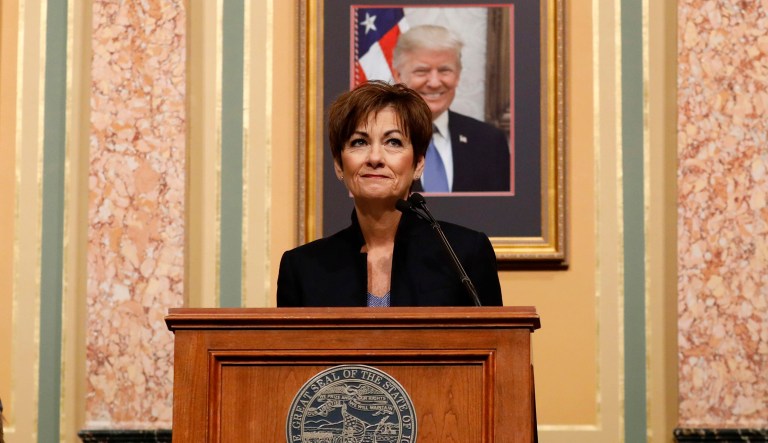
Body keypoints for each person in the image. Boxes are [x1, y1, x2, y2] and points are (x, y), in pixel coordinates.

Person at [277, 81, 502, 307]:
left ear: (418, 164)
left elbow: (498, 341)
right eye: (360, 142)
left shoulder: (464, 254)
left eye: (393, 142)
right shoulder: (302, 268)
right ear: (338, 165)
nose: (375, 158)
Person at [392, 24, 510, 193]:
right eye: (422, 71)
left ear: (458, 75)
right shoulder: (377, 140)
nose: (434, 82)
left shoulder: (490, 141)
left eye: (444, 70)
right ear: (398, 76)